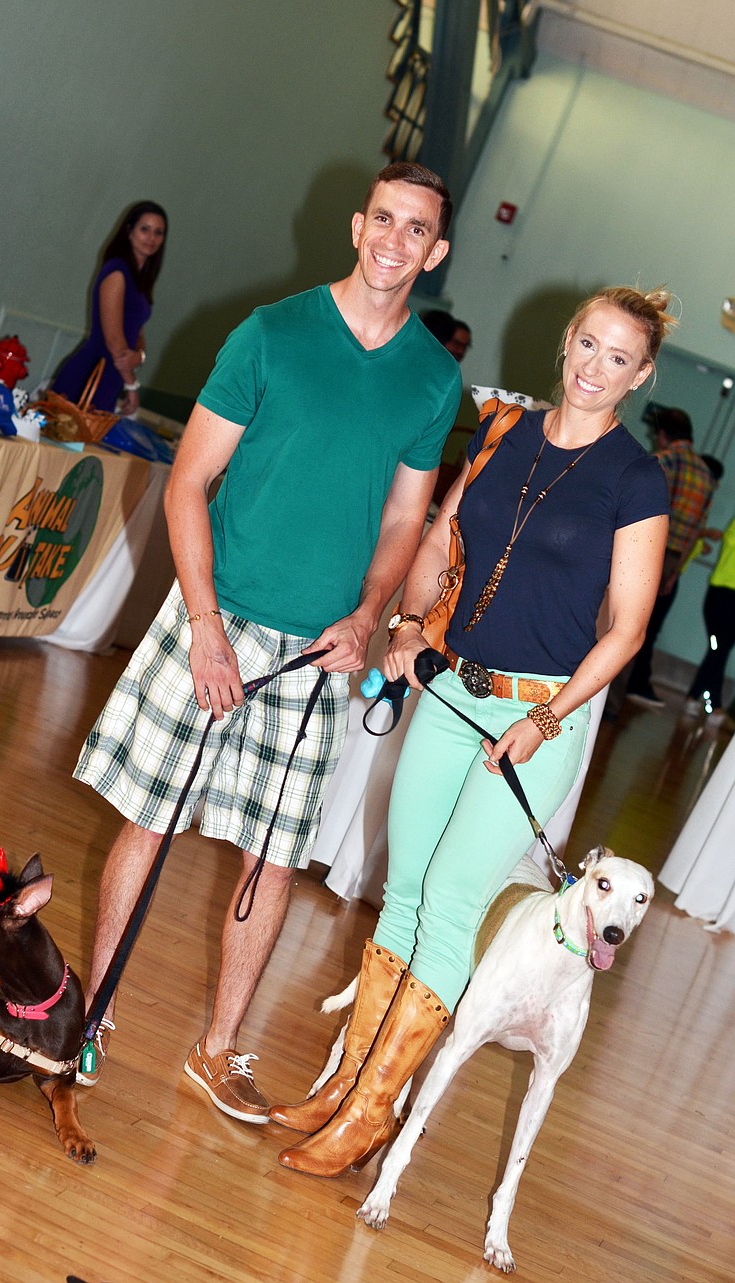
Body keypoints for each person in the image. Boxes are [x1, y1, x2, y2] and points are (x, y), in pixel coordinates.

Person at [72, 162, 462, 1118]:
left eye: (417, 230)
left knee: (274, 856)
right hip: (215, 618)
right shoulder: (273, 332)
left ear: (435, 250)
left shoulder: (431, 377)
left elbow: (406, 520)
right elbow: (186, 483)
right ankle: (88, 1014)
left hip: (322, 651)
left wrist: (369, 614)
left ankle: (220, 1047)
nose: (395, 240)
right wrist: (205, 627)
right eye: (385, 219)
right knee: (149, 819)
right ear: (357, 224)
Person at [272, 285, 673, 1177]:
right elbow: (444, 531)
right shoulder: (503, 430)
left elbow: (628, 630)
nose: (596, 367)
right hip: (453, 691)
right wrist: (412, 627)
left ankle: (372, 1114)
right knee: (403, 889)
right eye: (588, 344)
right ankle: (343, 1084)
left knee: (450, 905)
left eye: (619, 358)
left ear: (641, 375)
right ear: (567, 341)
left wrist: (545, 718)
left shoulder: (635, 479)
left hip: (536, 715)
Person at [625, 406, 716, 708]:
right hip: (674, 561)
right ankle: (632, 688)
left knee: (624, 626)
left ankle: (611, 698)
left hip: (645, 553)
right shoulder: (705, 474)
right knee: (649, 629)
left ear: (663, 435)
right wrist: (674, 573)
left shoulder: (663, 461)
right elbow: (696, 530)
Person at [52, 200, 167, 416]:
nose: (151, 238)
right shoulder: (117, 271)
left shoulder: (140, 280)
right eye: (145, 229)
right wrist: (132, 386)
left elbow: (137, 330)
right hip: (89, 375)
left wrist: (140, 355)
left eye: (158, 232)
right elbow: (115, 342)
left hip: (110, 377)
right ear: (129, 230)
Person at [684, 513, 735, 725]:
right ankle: (714, 705)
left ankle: (695, 697)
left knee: (720, 650)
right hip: (721, 596)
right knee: (718, 649)